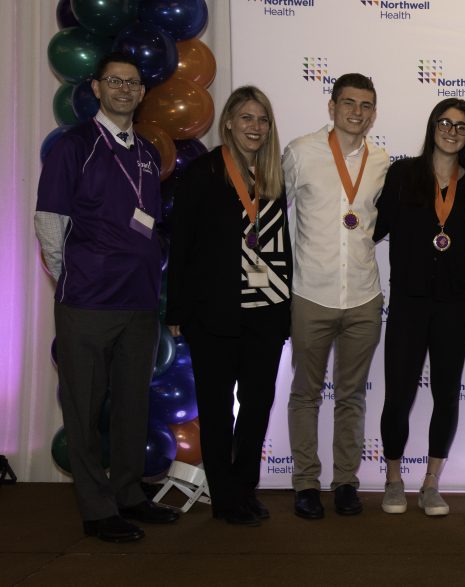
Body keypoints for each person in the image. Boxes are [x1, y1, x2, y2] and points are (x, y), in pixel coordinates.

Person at [35, 52, 179, 542]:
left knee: (132, 405)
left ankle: (129, 493)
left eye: (133, 83)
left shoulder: (147, 152)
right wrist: (72, 278)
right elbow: (49, 222)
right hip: (89, 302)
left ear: (143, 93)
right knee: (85, 407)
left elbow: (146, 221)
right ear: (96, 88)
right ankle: (97, 509)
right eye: (114, 81)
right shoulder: (74, 145)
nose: (124, 89)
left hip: (139, 302)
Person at [166, 86, 292, 527]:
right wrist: (177, 310)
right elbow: (181, 243)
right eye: (247, 118)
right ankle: (224, 497)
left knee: (256, 407)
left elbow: (280, 247)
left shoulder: (273, 175)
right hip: (212, 313)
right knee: (217, 410)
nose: (255, 127)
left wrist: (285, 309)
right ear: (229, 123)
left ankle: (244, 488)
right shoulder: (202, 172)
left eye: (263, 120)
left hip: (267, 312)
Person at [284, 73, 390, 519]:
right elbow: (271, 213)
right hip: (311, 293)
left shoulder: (381, 160)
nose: (356, 112)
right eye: (348, 102)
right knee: (305, 394)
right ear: (332, 107)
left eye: (366, 105)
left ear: (374, 113)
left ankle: (345, 481)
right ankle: (305, 483)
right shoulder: (300, 152)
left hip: (364, 295)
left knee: (352, 395)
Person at [373, 98, 465, 516]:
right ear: (432, 126)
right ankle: (393, 479)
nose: (452, 131)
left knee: (447, 395)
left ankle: (431, 483)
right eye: (445, 123)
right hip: (409, 301)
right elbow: (375, 226)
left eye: (461, 126)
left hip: (454, 305)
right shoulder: (403, 174)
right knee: (398, 394)